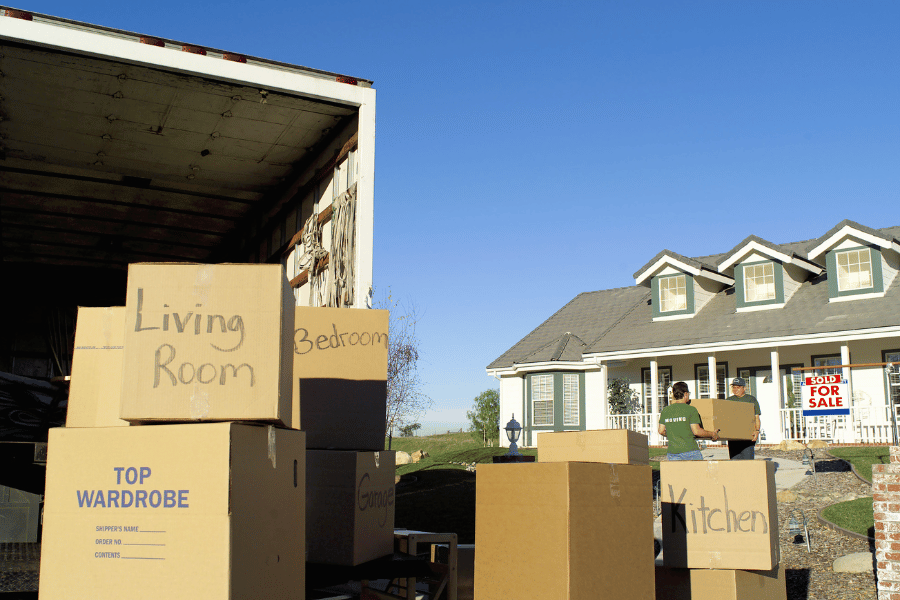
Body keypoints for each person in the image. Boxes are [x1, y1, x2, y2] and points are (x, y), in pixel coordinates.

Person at [658, 381, 719, 461]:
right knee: (697, 473)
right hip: (690, 451)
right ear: (685, 394)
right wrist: (712, 434)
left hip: (673, 452)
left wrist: (673, 435)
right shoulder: (691, 410)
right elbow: (696, 431)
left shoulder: (666, 410)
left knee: (678, 474)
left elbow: (661, 431)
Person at [725, 377, 761, 460]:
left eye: (738, 387)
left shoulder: (751, 399)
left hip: (747, 437)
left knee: (748, 462)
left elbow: (756, 417)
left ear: (744, 388)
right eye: (734, 387)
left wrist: (757, 431)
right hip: (733, 437)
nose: (735, 389)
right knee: (735, 462)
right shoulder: (729, 400)